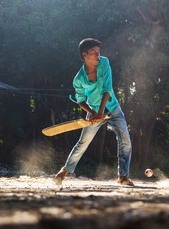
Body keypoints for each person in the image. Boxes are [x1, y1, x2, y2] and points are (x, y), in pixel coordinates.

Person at [53, 38, 133, 186]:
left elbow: (107, 89)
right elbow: (80, 100)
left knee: (125, 140)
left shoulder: (104, 63)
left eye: (98, 52)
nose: (98, 56)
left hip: (113, 108)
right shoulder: (79, 79)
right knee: (83, 142)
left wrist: (101, 112)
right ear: (84, 55)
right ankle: (64, 172)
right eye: (94, 53)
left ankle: (123, 177)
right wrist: (93, 113)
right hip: (94, 112)